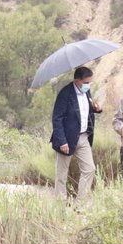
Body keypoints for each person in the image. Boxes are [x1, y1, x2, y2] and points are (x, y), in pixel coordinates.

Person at [51, 66, 102, 202]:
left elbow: (85, 112)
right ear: (77, 81)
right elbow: (57, 118)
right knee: (61, 174)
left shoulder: (86, 92)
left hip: (83, 137)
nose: (88, 85)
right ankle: (60, 205)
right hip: (66, 139)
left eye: (90, 82)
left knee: (89, 169)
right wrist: (62, 141)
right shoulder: (65, 94)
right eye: (86, 82)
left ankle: (81, 203)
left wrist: (96, 109)